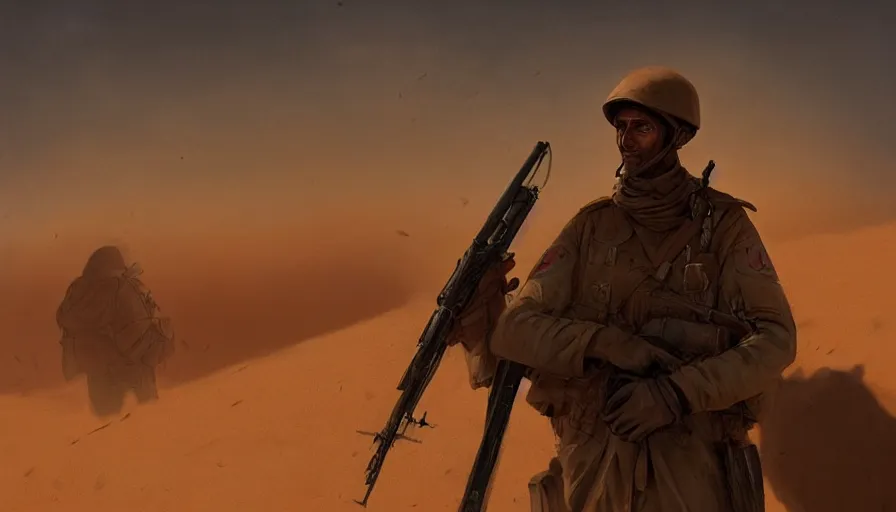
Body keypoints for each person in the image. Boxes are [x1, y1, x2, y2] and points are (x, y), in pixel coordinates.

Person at [448, 66, 796, 512]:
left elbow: (776, 338)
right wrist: (604, 342)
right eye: (621, 128)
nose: (627, 141)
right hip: (594, 460)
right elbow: (516, 330)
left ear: (678, 136)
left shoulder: (724, 226)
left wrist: (675, 393)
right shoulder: (591, 227)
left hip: (692, 461)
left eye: (643, 128)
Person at [56, 245, 175, 416]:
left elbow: (63, 319)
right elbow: (140, 335)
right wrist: (163, 338)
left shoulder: (78, 289)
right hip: (130, 373)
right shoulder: (123, 287)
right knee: (148, 425)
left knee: (105, 428)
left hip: (95, 375)